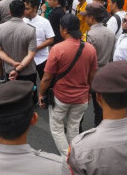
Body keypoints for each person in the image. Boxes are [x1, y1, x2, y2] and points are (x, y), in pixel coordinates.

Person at [38, 14, 98, 156]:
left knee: (57, 128)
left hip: (61, 97)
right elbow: (92, 76)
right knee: (74, 127)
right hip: (81, 98)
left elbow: (47, 78)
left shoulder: (57, 49)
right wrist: (89, 92)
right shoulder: (90, 49)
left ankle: (67, 158)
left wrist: (41, 94)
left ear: (64, 30)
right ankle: (76, 154)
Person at [0, 0, 37, 92]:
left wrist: (13, 63)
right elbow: (31, 54)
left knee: (13, 96)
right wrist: (18, 68)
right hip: (28, 71)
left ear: (10, 12)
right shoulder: (31, 30)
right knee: (29, 96)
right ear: (24, 12)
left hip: (9, 70)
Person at [85, 3, 115, 126]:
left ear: (91, 18)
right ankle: (100, 127)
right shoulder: (110, 33)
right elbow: (112, 55)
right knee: (100, 105)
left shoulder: (91, 35)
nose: (85, 18)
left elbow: (87, 59)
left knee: (85, 103)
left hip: (93, 73)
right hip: (106, 71)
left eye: (86, 16)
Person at [23, 0, 54, 81]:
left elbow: (50, 39)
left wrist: (35, 48)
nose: (24, 11)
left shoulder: (44, 22)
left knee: (45, 82)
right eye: (24, 8)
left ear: (35, 8)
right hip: (26, 59)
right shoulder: (21, 21)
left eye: (27, 9)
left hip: (42, 59)